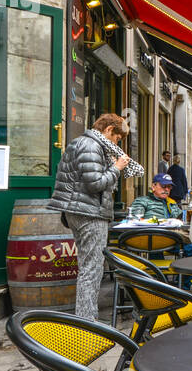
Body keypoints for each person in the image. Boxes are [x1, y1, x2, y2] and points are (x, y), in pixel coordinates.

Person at [48, 114, 142, 320]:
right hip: (89, 212)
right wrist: (117, 167)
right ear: (109, 130)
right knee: (92, 269)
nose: (116, 143)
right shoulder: (92, 146)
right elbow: (95, 184)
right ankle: (88, 321)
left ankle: (86, 318)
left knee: (87, 267)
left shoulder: (81, 143)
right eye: (117, 138)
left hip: (78, 210)